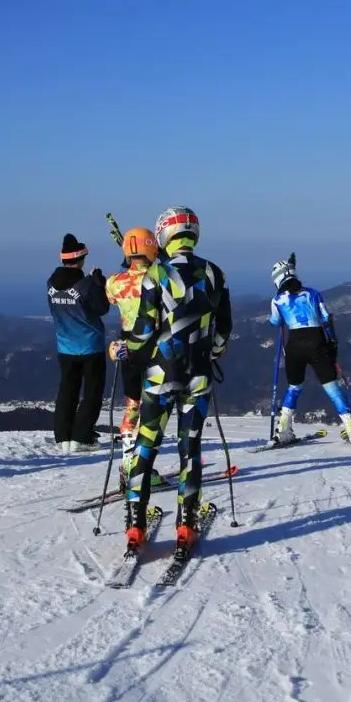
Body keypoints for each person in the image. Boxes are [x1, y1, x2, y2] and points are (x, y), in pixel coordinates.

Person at [122, 206, 232, 557]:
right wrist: (213, 351)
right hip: (198, 376)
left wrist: (126, 351)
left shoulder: (156, 273)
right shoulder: (214, 273)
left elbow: (142, 334)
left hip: (159, 376)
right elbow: (224, 329)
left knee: (146, 446)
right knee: (191, 450)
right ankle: (186, 523)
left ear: (165, 234)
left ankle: (136, 526)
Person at [267, 256, 351, 452]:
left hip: (294, 346)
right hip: (317, 342)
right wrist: (332, 343)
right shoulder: (313, 293)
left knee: (294, 387)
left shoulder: (277, 300)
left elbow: (275, 322)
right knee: (332, 388)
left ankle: (283, 430)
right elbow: (326, 318)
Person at [105, 227, 160, 476]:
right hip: (154, 347)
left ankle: (127, 464)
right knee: (154, 408)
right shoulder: (159, 278)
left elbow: (112, 298)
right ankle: (144, 468)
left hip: (126, 348)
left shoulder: (114, 282)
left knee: (132, 405)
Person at [48, 233, 110, 451]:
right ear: (80, 258)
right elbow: (102, 308)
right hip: (91, 345)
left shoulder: (51, 284)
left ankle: (63, 437)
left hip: (65, 346)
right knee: (92, 392)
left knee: (67, 390)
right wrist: (97, 283)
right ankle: (82, 437)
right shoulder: (85, 284)